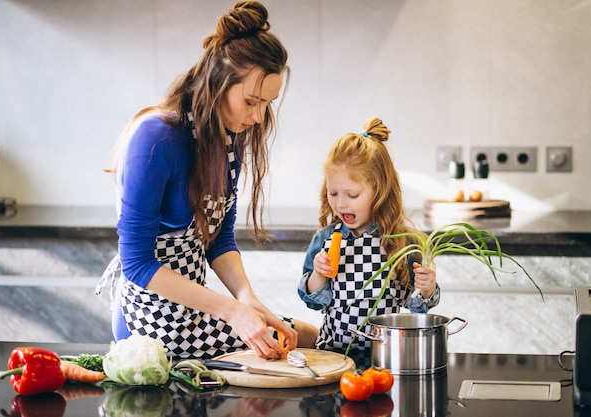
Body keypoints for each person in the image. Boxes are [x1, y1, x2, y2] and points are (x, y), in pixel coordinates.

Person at [100, 1, 317, 360]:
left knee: (298, 336)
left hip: (196, 312)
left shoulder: (232, 134)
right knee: (301, 339)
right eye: (251, 101)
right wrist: (232, 311)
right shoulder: (155, 139)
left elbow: (219, 238)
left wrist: (248, 300)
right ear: (218, 83)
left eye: (267, 103)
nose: (259, 116)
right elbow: (137, 263)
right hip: (151, 319)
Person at [297, 117, 440, 353]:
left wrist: (427, 288)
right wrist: (318, 275)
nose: (341, 204)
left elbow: (416, 306)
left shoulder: (403, 242)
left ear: (380, 191)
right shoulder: (324, 240)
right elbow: (312, 301)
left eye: (352, 195)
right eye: (333, 193)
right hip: (335, 355)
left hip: (389, 355)